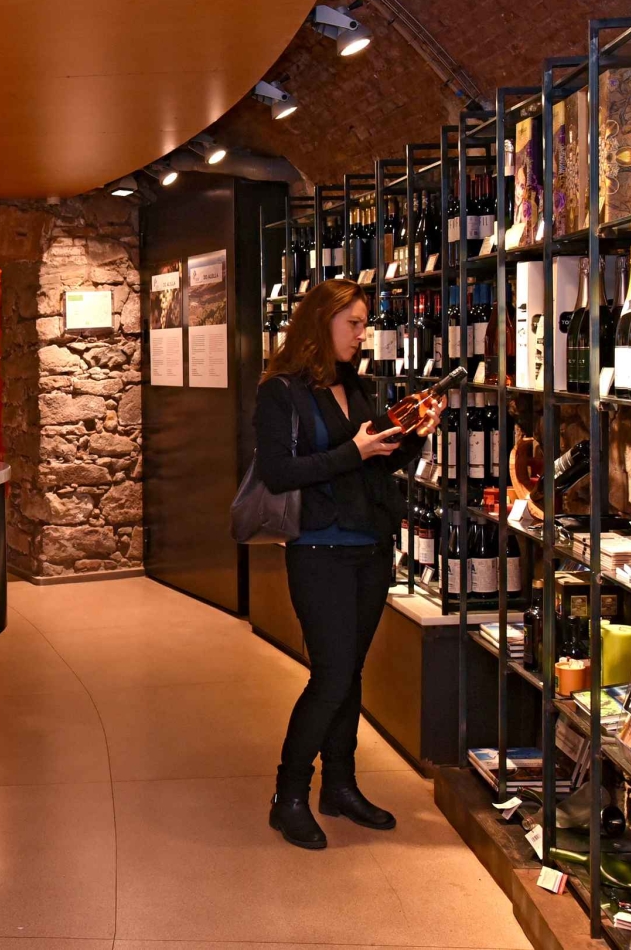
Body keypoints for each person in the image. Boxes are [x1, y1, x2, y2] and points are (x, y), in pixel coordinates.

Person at [256, 277, 441, 851]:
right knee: (332, 676)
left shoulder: (355, 385)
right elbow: (278, 473)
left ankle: (340, 785)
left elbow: (375, 465)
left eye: (364, 324)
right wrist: (351, 450)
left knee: (350, 674)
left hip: (370, 546)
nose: (363, 334)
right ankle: (288, 796)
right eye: (353, 323)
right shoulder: (280, 391)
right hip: (318, 549)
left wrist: (413, 439)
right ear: (322, 322)